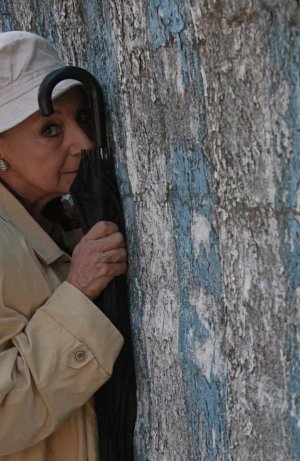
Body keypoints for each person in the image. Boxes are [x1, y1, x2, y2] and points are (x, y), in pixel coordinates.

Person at [0, 30, 127, 460]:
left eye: (83, 120)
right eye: (50, 128)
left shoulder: (54, 217)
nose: (84, 145)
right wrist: (78, 291)